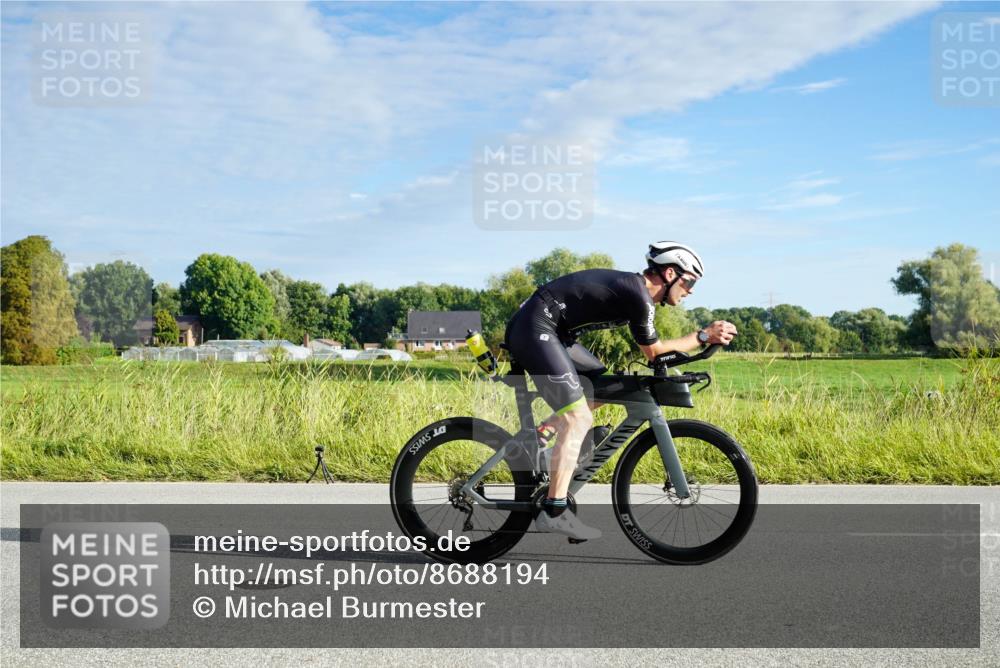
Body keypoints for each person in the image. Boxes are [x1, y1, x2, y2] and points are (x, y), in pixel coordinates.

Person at [503, 241, 738, 540]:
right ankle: (554, 511)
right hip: (536, 327)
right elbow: (654, 352)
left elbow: (658, 353)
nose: (691, 290)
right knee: (579, 419)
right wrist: (703, 336)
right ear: (669, 274)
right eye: (689, 281)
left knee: (603, 385)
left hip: (553, 331)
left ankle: (545, 433)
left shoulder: (638, 294)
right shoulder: (638, 294)